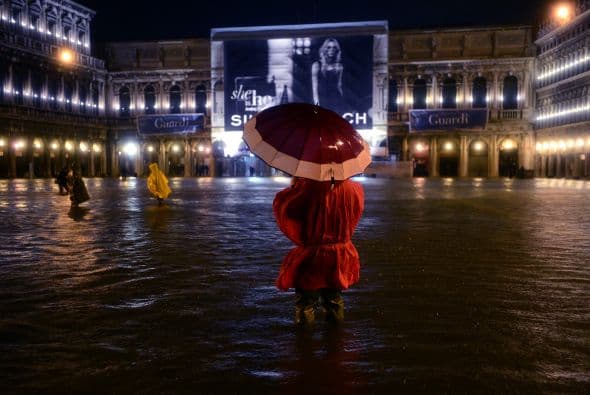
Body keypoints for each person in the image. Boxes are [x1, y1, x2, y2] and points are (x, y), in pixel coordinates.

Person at [273, 176, 365, 325]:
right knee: (334, 301)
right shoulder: (354, 189)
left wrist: (294, 187)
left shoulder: (306, 188)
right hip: (339, 255)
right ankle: (336, 342)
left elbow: (287, 207)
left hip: (312, 257)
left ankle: (304, 343)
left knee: (306, 304)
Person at [311, 38, 344, 110]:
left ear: (336, 50)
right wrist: (317, 105)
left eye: (334, 47)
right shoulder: (316, 65)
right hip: (322, 100)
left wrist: (342, 103)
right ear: (324, 49)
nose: (331, 49)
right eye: (328, 47)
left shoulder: (339, 67)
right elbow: (314, 88)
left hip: (336, 101)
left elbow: (339, 86)